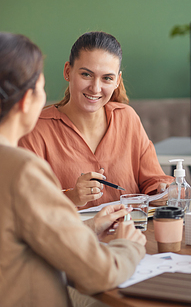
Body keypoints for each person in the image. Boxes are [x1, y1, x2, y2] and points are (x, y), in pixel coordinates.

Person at [0, 32, 146, 306]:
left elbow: (26, 239)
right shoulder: (22, 170)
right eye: (41, 88)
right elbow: (101, 273)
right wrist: (129, 245)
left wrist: (90, 226)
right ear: (25, 101)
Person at [19, 31, 173, 209]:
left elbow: (154, 181)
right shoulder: (35, 129)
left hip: (132, 233)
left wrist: (162, 191)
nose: (95, 88)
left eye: (107, 78)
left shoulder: (127, 118)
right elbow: (26, 205)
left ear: (117, 81)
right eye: (86, 75)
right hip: (72, 235)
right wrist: (72, 196)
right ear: (68, 71)